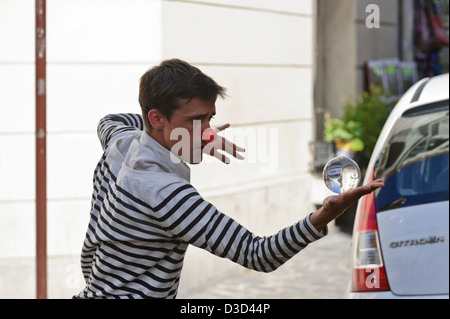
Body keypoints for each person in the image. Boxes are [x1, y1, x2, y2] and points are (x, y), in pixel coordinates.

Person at [75, 58, 384, 299]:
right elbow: (258, 255)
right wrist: (325, 215)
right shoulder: (166, 195)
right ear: (156, 118)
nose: (210, 131)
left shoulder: (120, 143)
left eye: (209, 118)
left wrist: (185, 135)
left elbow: (110, 120)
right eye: (196, 120)